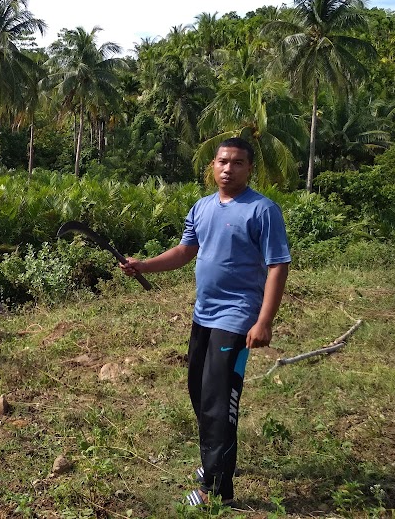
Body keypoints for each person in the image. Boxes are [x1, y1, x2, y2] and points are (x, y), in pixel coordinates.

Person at [120, 137, 291, 507]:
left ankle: (216, 490)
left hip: (238, 316)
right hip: (204, 314)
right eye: (222, 162)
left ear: (249, 169)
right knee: (200, 392)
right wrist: (143, 265)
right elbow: (185, 251)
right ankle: (216, 463)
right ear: (212, 166)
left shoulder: (262, 210)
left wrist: (264, 321)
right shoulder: (201, 208)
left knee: (219, 400)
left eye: (238, 163)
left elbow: (278, 265)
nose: (228, 169)